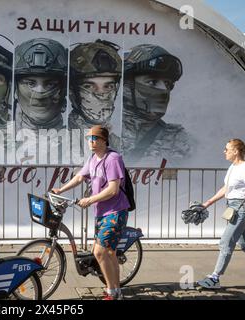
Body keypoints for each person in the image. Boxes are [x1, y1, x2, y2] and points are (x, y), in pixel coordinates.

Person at [51, 125, 130, 300]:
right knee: (110, 252)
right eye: (89, 139)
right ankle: (117, 291)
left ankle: (111, 291)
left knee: (100, 252)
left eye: (95, 138)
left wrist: (90, 200)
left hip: (115, 212)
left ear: (104, 140)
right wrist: (61, 190)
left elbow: (113, 190)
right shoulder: (93, 159)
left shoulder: (113, 159)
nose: (91, 142)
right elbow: (80, 177)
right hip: (101, 212)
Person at [197, 139, 245, 289]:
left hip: (241, 208)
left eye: (227, 149)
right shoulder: (233, 167)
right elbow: (226, 188)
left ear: (236, 151)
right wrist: (207, 203)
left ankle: (215, 278)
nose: (224, 151)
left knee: (226, 242)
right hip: (233, 207)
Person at [121, 44, 191, 164]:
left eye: (168, 84)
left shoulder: (179, 140)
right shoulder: (104, 133)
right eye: (153, 82)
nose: (164, 91)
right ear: (126, 85)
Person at [69, 39, 122, 151]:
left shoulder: (117, 144)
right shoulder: (60, 141)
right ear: (72, 91)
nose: (101, 94)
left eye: (108, 86)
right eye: (89, 86)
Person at [14, 38, 67, 131]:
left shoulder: (82, 140)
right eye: (30, 83)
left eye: (50, 84)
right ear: (15, 90)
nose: (39, 95)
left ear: (64, 91)